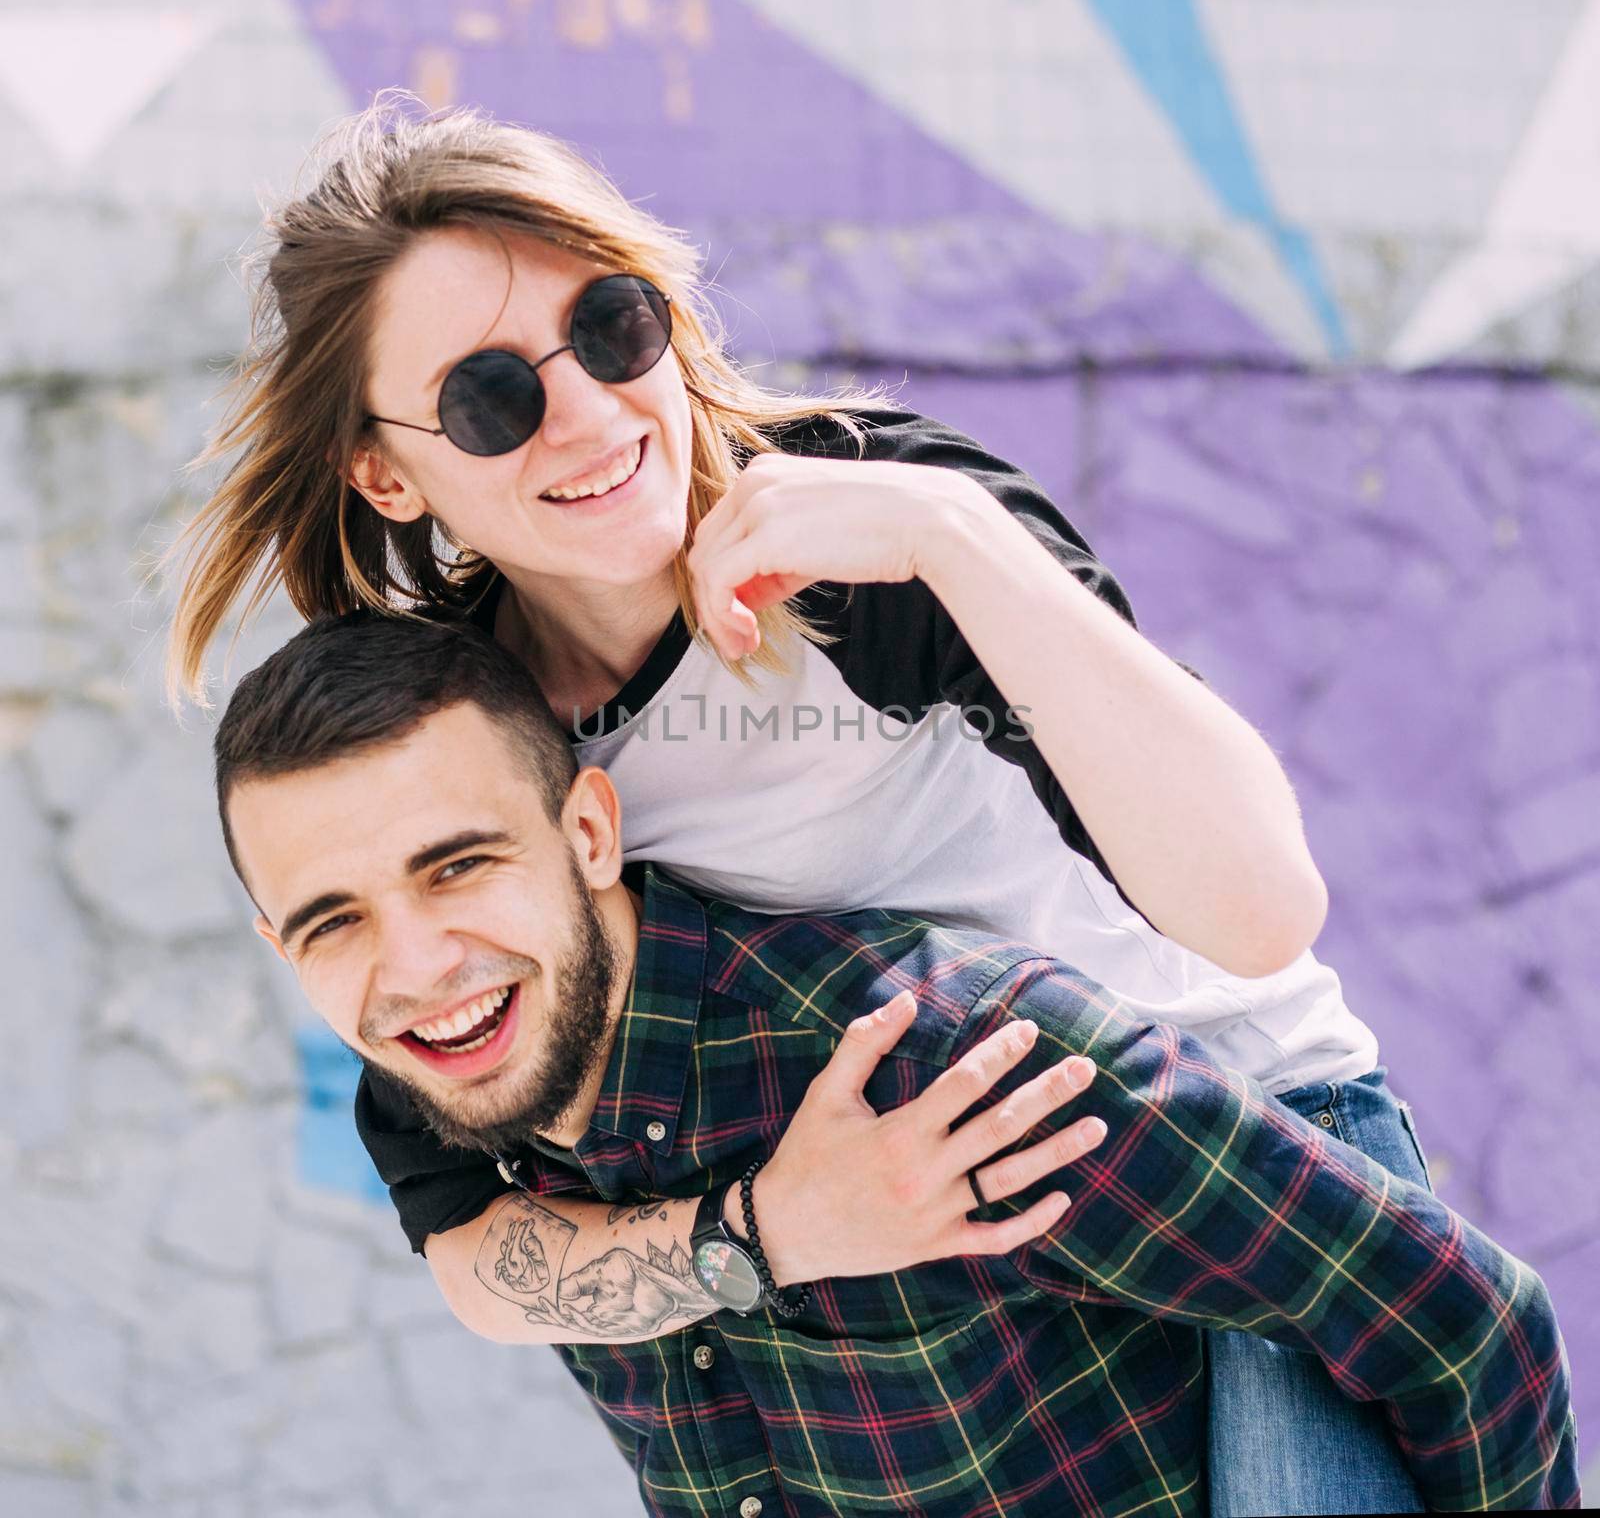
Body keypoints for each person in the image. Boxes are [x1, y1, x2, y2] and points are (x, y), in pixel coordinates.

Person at [173, 95, 1426, 1512]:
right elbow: (472, 1246)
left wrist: (949, 539)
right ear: (387, 470)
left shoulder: (870, 539)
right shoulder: (467, 750)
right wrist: (769, 1232)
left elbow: (1258, 915)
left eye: (611, 328)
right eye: (491, 397)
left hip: (1246, 1150)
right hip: (961, 1265)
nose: (586, 415)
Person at [212, 612, 1579, 1518]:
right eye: (335, 922)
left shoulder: (929, 1057)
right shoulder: (491, 1116)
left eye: (460, 866)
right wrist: (767, 1234)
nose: (418, 964)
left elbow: (1468, 1329)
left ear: (586, 834)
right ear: (282, 948)